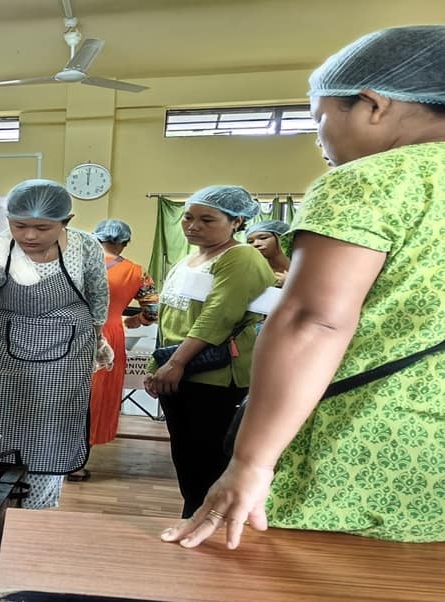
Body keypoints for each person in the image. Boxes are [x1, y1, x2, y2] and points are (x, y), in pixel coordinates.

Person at [163, 25, 445, 549]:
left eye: (319, 120)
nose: (319, 140)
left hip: (364, 442)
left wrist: (250, 463)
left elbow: (313, 319)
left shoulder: (374, 180)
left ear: (372, 104)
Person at [0, 179, 109, 509]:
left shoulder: (86, 247)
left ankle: (37, 517)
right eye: (19, 225)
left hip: (68, 358)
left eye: (42, 227)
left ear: (66, 221)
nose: (29, 236)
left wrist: (99, 339)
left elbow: (97, 297)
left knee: (50, 438)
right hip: (3, 359)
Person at [143, 185, 274, 519]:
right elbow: (169, 318)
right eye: (188, 217)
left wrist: (176, 363)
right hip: (178, 370)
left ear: (236, 222)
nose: (193, 226)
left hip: (213, 377)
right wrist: (155, 365)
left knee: (208, 459)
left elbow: (218, 318)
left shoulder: (240, 257)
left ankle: (207, 525)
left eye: (207, 219)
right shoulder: (190, 258)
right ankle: (193, 518)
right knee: (187, 458)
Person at [67, 219, 158, 481]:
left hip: (68, 332)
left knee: (62, 392)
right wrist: (136, 321)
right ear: (125, 243)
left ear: (95, 239)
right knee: (95, 397)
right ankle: (76, 463)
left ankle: (47, 456)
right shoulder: (138, 273)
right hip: (109, 335)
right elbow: (152, 311)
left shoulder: (76, 264)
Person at [245, 220, 291, 286]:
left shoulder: (304, 265)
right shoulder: (253, 272)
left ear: (281, 238)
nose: (255, 244)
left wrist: (293, 284)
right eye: (250, 242)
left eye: (263, 238)